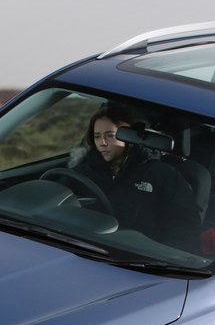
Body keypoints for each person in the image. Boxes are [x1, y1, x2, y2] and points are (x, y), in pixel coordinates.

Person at [68, 104, 201, 252]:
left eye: (110, 135)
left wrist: (159, 256)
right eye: (97, 136)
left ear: (130, 136)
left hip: (138, 256)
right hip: (80, 247)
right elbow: (54, 205)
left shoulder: (163, 175)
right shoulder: (81, 172)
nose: (102, 143)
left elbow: (186, 227)